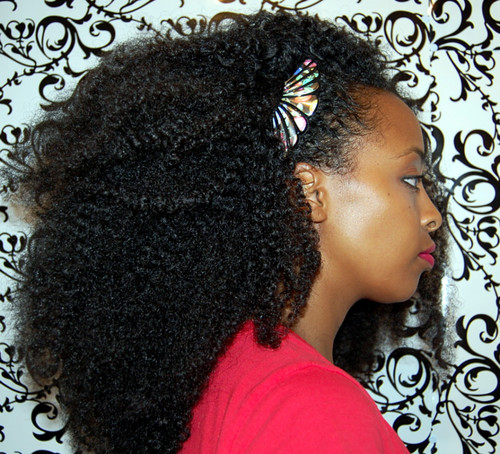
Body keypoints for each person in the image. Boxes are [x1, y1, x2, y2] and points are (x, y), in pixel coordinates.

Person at [4, 11, 447, 454]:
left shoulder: (221, 374)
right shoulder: (311, 410)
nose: (433, 217)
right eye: (411, 179)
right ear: (309, 191)